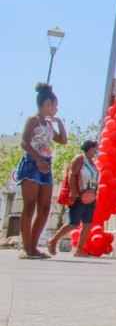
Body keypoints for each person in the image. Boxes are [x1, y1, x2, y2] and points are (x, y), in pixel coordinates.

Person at [18, 83, 67, 259]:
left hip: (46, 164)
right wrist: (37, 159)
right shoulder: (33, 119)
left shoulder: (47, 124)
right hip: (32, 162)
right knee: (29, 206)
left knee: (44, 208)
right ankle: (26, 248)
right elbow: (24, 141)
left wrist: (60, 123)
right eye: (55, 105)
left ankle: (34, 246)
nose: (56, 108)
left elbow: (62, 140)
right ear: (47, 103)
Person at [46, 140, 98, 257]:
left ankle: (79, 249)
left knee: (87, 223)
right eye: (96, 148)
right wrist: (73, 192)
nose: (97, 150)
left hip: (91, 195)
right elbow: (72, 174)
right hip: (80, 194)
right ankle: (53, 240)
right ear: (90, 148)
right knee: (74, 223)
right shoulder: (80, 159)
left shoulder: (93, 163)